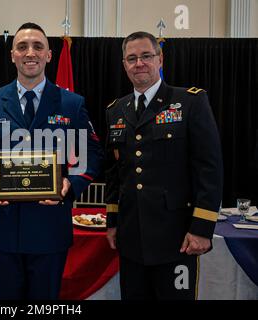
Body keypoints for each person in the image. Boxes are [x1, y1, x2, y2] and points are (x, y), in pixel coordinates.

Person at [0, 22, 103, 299]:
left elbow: (90, 155)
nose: (31, 53)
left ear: (49, 55)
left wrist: (69, 185)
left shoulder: (71, 104)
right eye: (22, 47)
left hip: (49, 228)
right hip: (4, 229)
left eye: (38, 46)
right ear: (12, 55)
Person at [104, 31, 223, 300]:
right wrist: (112, 222)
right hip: (132, 238)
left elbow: (209, 169)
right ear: (124, 64)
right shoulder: (115, 110)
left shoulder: (190, 102)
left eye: (146, 56)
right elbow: (114, 174)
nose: (139, 63)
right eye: (131, 58)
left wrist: (202, 229)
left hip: (177, 238)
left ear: (160, 58)